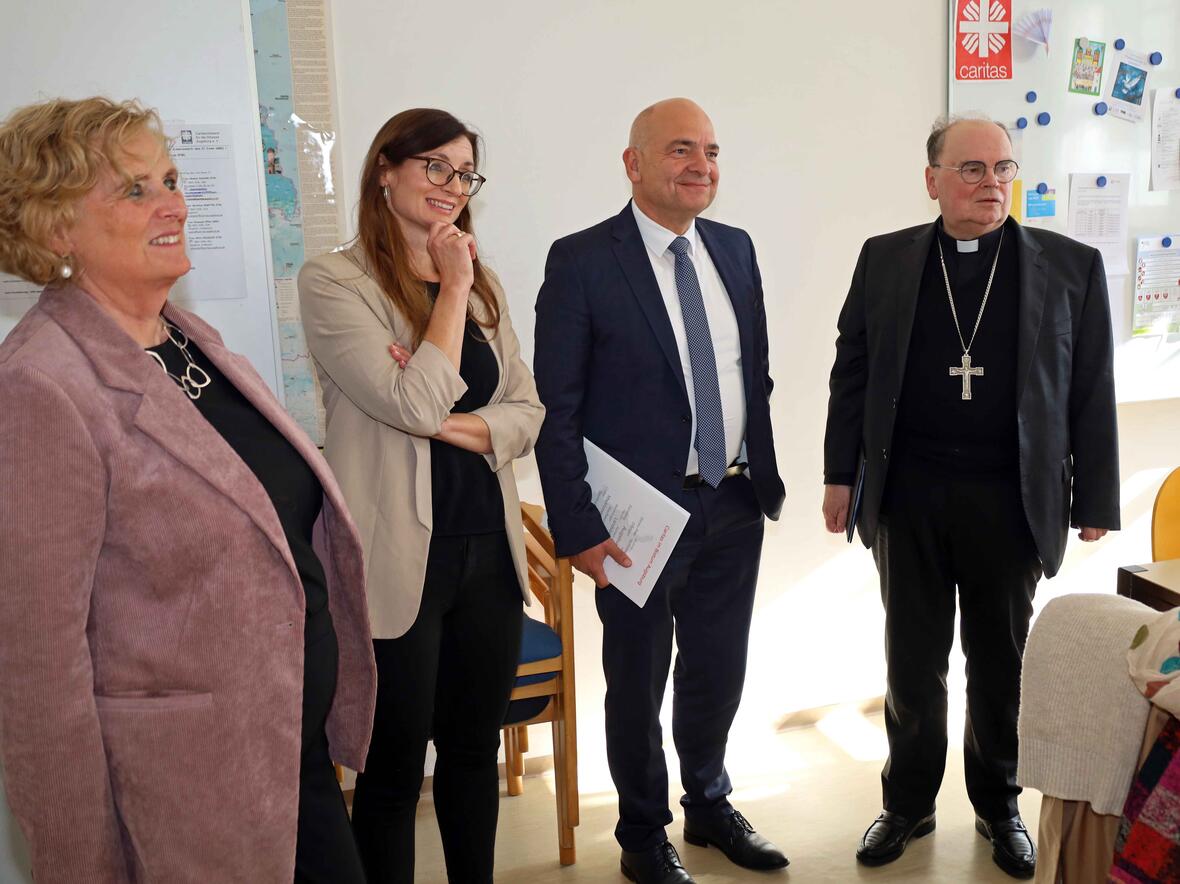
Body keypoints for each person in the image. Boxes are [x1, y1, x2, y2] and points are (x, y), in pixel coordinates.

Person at [0, 97, 376, 883]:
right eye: (134, 190)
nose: (175, 203)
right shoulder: (40, 385)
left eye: (169, 179)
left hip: (284, 758)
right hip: (188, 797)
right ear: (55, 227)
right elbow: (35, 669)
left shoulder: (187, 340)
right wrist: (80, 865)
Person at [821, 114, 1120, 879]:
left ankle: (1000, 805)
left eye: (1004, 169)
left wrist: (1097, 499)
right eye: (973, 169)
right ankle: (908, 803)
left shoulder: (1069, 265)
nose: (992, 184)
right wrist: (839, 476)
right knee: (912, 659)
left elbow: (1089, 386)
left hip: (1010, 497)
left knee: (1001, 661)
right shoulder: (884, 260)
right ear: (932, 179)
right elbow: (851, 371)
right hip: (911, 493)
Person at [533, 98, 788, 884]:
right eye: (681, 150)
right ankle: (644, 834)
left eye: (711, 151)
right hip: (637, 518)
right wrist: (575, 527)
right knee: (637, 680)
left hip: (733, 500)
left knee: (718, 669)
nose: (701, 166)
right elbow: (557, 408)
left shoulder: (736, 250)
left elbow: (755, 377)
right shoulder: (582, 260)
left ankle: (709, 805)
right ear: (633, 162)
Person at [298, 108, 543, 884]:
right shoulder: (335, 281)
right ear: (386, 169)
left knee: (474, 753)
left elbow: (528, 413)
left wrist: (443, 409)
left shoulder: (483, 284)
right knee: (394, 771)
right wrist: (451, 292)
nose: (452, 185)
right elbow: (406, 407)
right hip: (399, 560)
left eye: (464, 172)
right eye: (435, 166)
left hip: (488, 554)